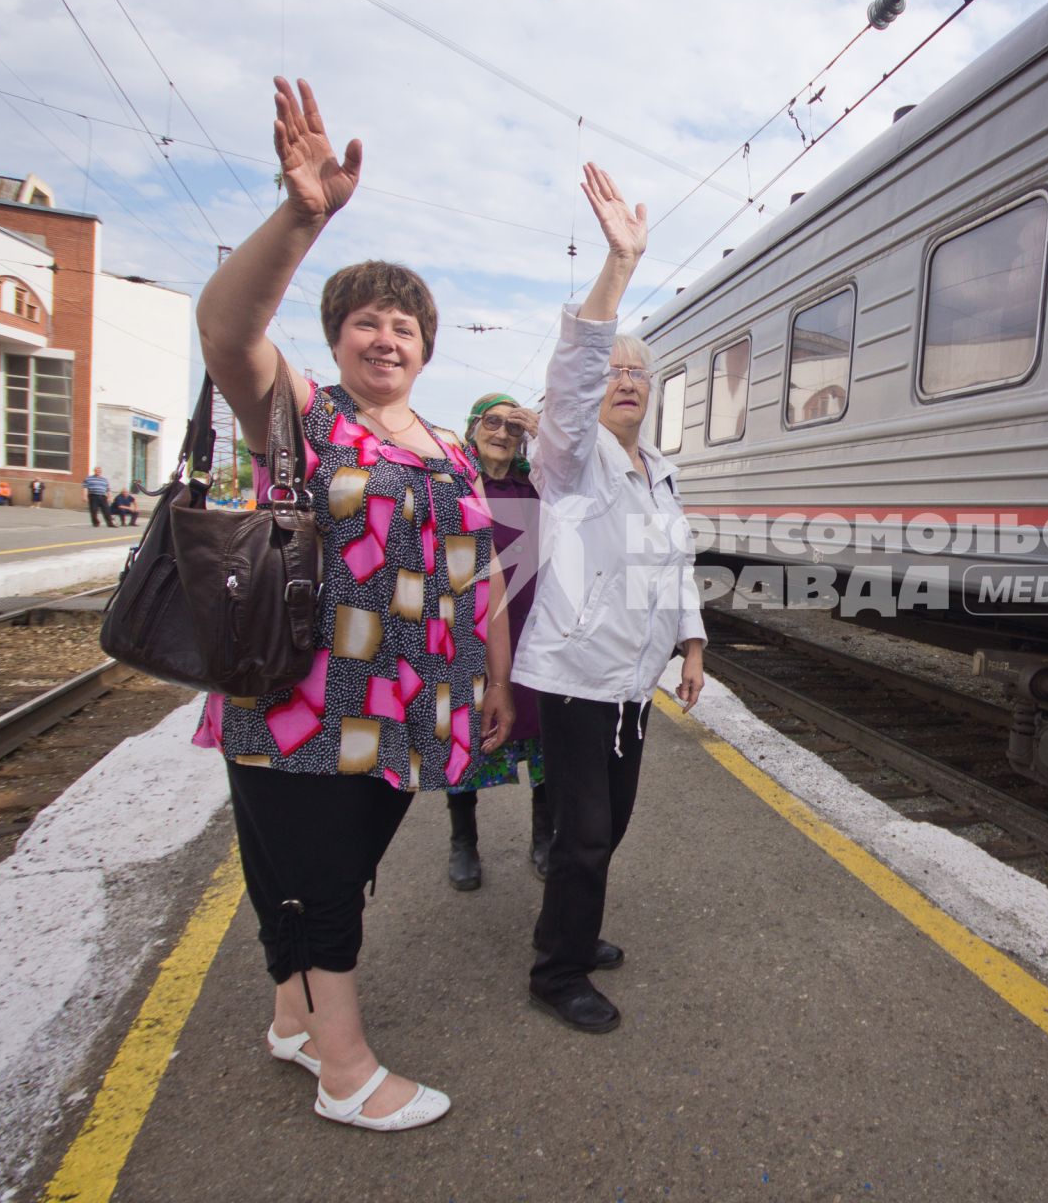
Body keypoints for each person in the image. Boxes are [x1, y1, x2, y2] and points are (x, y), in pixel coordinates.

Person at [189, 76, 512, 1132]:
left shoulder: (456, 450)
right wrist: (302, 215)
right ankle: (346, 1069)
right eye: (365, 320)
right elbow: (225, 327)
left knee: (331, 867)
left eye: (404, 322)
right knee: (320, 879)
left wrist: (499, 676)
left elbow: (484, 572)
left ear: (428, 343)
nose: (386, 335)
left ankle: (292, 1014)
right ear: (336, 338)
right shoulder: (302, 415)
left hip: (415, 698)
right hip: (300, 692)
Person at [515, 163, 706, 1034]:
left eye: (639, 370)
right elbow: (576, 371)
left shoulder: (659, 472)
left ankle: (573, 929)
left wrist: (692, 645)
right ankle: (557, 972)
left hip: (633, 682)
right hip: (577, 674)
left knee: (609, 826)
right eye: (615, 369)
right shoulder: (572, 458)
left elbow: (676, 568)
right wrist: (619, 270)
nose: (625, 378)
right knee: (587, 832)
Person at [442, 392, 548, 891]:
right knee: (466, 736)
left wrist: (546, 433)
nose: (502, 433)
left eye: (513, 426)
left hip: (533, 629)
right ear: (472, 427)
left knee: (548, 740)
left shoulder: (536, 485)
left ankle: (544, 837)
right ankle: (463, 841)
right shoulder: (454, 482)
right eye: (491, 422)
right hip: (469, 632)